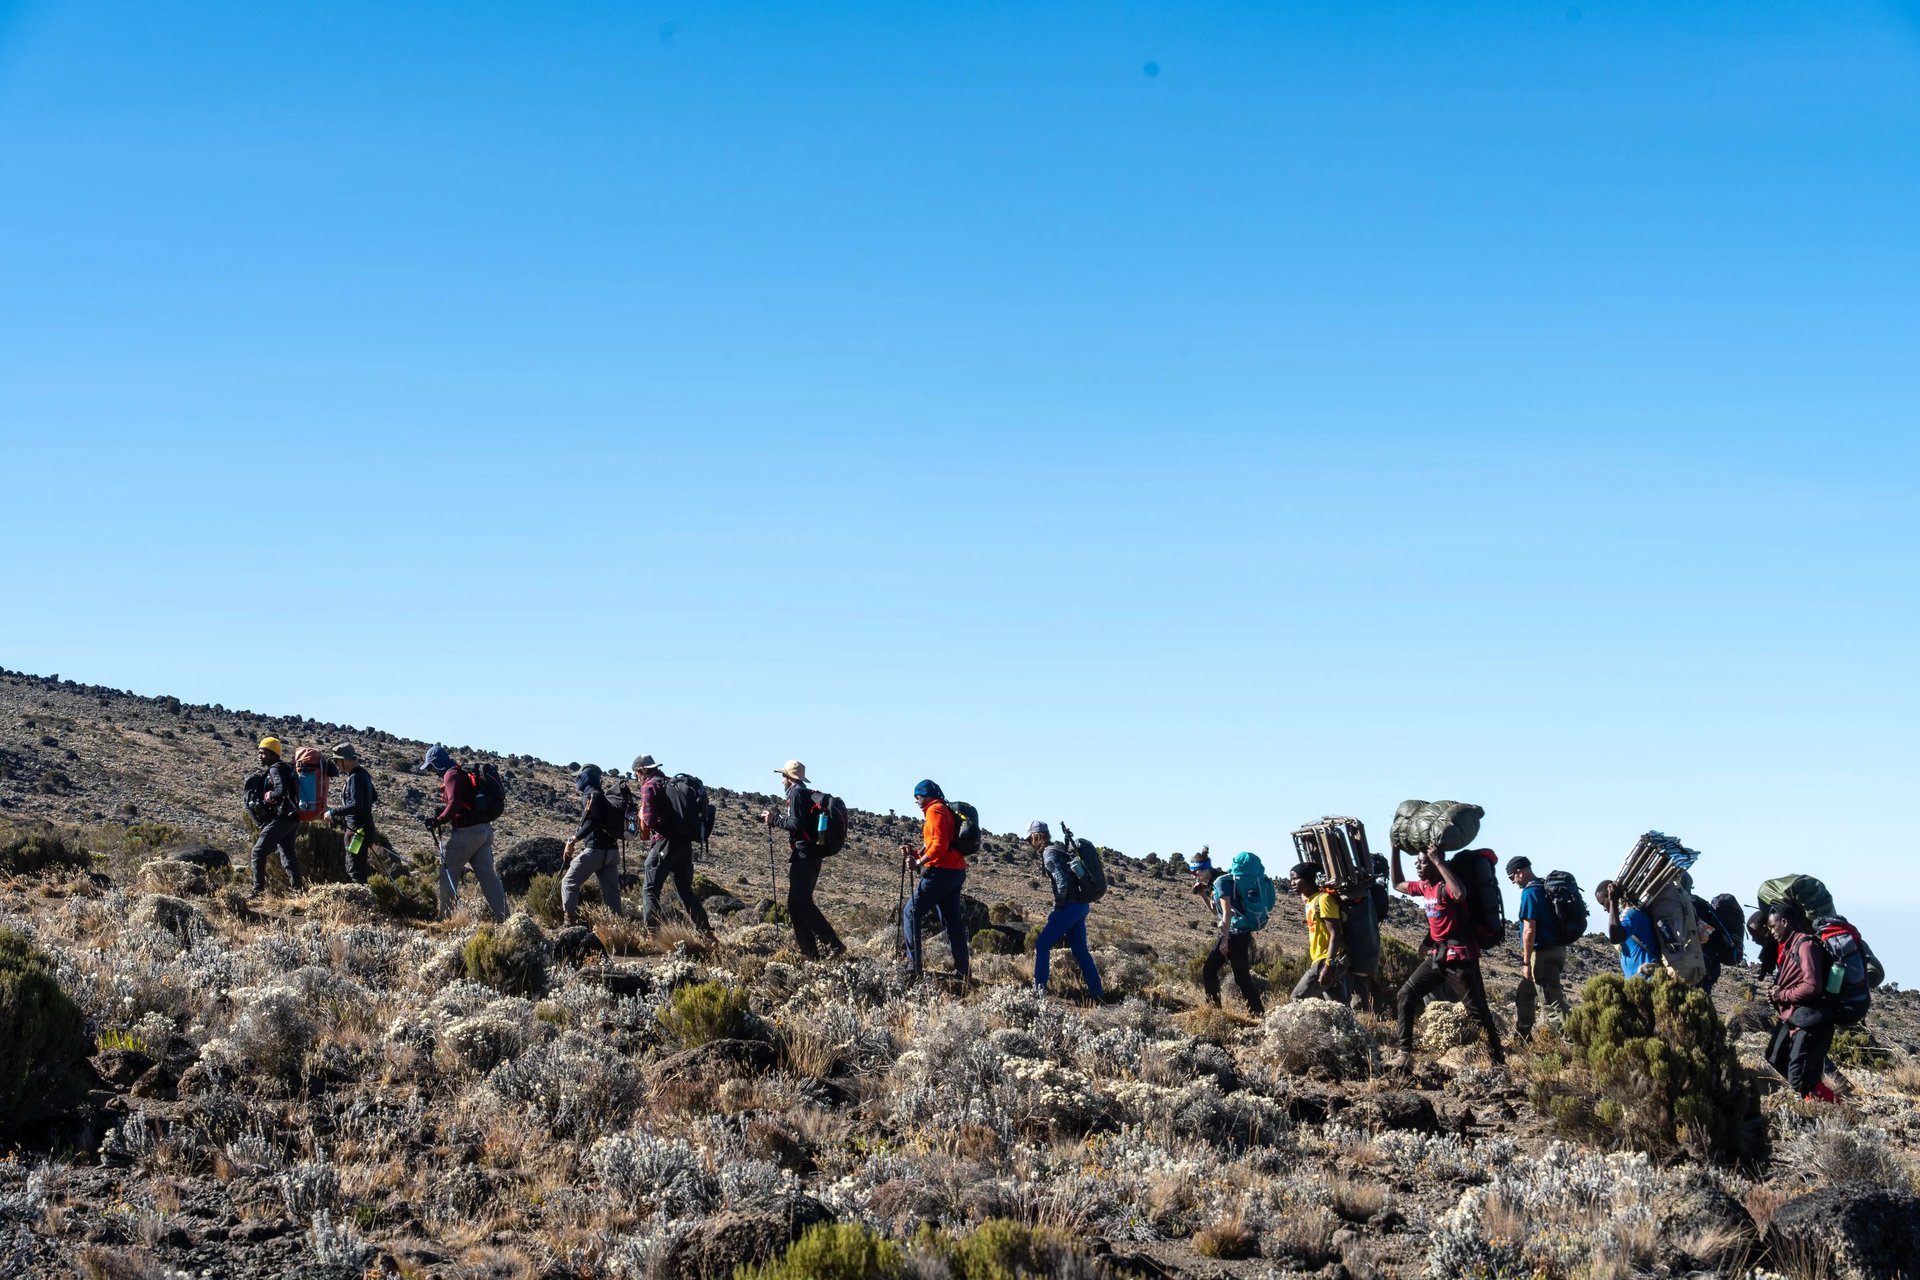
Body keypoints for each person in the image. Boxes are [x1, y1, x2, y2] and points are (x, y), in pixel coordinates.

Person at [1393, 845, 1505, 1067]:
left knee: (1478, 1013)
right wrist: (1394, 850)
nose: (1417, 865)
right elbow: (1397, 884)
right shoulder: (1425, 886)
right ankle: (1404, 1054)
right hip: (1438, 955)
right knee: (1406, 994)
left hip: (1460, 958)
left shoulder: (1445, 887)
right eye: (1417, 861)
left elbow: (1460, 893)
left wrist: (1438, 861)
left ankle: (1498, 1064)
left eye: (1423, 861)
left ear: (1435, 863)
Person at [761, 760, 846, 960]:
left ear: (789, 779)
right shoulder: (803, 793)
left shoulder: (797, 793)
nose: (782, 780)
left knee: (800, 901)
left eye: (783, 776)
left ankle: (832, 943)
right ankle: (810, 954)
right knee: (795, 903)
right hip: (810, 854)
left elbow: (796, 823)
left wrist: (775, 820)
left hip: (805, 855)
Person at [421, 744, 508, 923]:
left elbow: (453, 805)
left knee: (447, 872)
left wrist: (438, 820)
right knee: (487, 876)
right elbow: (460, 803)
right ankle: (505, 918)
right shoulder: (460, 772)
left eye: (431, 767)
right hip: (483, 830)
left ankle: (446, 919)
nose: (432, 772)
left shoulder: (450, 775)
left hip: (467, 833)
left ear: (437, 764)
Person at [900, 779, 970, 986]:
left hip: (941, 872)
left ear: (926, 795)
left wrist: (918, 862)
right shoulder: (944, 810)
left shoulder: (935, 810)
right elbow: (937, 843)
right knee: (952, 922)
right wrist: (915, 853)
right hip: (955, 870)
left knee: (910, 912)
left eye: (918, 796)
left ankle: (914, 967)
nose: (916, 801)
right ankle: (962, 971)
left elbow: (939, 845)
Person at [1765, 901, 1837, 1101]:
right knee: (1775, 1056)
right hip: (1796, 1017)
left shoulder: (1805, 945)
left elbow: (1812, 985)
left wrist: (1783, 995)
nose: (1771, 931)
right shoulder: (1789, 947)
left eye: (1773, 926)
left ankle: (1835, 1107)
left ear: (1784, 922)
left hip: (1812, 1020)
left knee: (1799, 1078)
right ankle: (1813, 1096)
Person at [636, 754, 713, 935]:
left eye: (636, 774)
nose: (637, 778)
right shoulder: (669, 783)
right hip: (684, 845)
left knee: (650, 889)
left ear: (641, 770)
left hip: (664, 843)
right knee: (685, 890)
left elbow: (650, 821)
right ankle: (706, 932)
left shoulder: (649, 786)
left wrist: (641, 816)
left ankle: (652, 935)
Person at [1029, 822, 1104, 1001]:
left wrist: (1058, 907)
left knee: (1042, 944)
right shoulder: (1059, 849)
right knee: (1080, 950)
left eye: (1029, 838)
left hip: (1070, 906)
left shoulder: (1049, 854)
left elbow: (1061, 881)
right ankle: (1097, 993)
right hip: (1081, 905)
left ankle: (1038, 992)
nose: (1028, 843)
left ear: (1037, 836)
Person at [1191, 851, 1265, 1016]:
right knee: (1240, 976)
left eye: (1194, 871)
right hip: (1236, 933)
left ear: (1203, 869)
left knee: (1212, 970)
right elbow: (1216, 912)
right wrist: (1203, 894)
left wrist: (1224, 940)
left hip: (1235, 934)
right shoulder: (1215, 883)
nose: (1194, 875)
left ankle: (1215, 1012)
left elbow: (1226, 914)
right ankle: (1257, 1014)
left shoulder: (1221, 883)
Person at [1507, 856, 1568, 1040]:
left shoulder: (1530, 893)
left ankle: (1576, 1043)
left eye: (1512, 877)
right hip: (1558, 950)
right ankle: (1523, 1037)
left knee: (1552, 1004)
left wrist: (1526, 962)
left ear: (1520, 872)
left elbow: (1529, 930)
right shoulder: (1544, 888)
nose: (1513, 882)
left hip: (1542, 955)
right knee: (1525, 992)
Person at [560, 765, 624, 926]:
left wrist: (573, 839)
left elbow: (591, 822)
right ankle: (619, 929)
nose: (576, 780)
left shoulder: (590, 795)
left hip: (595, 851)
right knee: (612, 894)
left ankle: (570, 924)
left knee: (568, 882)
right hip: (612, 853)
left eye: (579, 776)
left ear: (586, 777)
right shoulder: (603, 796)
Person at [323, 743, 393, 884]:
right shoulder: (363, 774)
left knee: (354, 868)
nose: (336, 764)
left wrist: (333, 812)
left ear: (346, 760)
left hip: (356, 832)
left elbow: (355, 805)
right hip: (365, 829)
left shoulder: (354, 778)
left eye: (337, 761)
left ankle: (361, 901)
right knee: (358, 866)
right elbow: (373, 797)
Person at [248, 737, 306, 897]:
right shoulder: (286, 768)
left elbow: (280, 790)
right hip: (292, 819)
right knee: (288, 854)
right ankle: (298, 891)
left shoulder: (275, 768)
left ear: (273, 754)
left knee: (258, 852)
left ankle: (257, 891)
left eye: (263, 753)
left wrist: (269, 795)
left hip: (282, 818)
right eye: (259, 753)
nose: (260, 756)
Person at [1288, 863, 1347, 1003]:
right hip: (1322, 959)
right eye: (1291, 879)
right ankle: (1347, 1025)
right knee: (1336, 1007)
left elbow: (1335, 933)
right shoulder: (1310, 901)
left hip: (1327, 959)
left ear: (1308, 879)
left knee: (1297, 998)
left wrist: (1328, 965)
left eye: (1296, 879)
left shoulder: (1324, 900)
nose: (1292, 883)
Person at [1596, 879, 1659, 978]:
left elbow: (1615, 938)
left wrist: (1613, 902)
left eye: (1603, 903)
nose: (1604, 908)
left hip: (1647, 980)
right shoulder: (1625, 915)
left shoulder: (1631, 913)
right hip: (1636, 983)